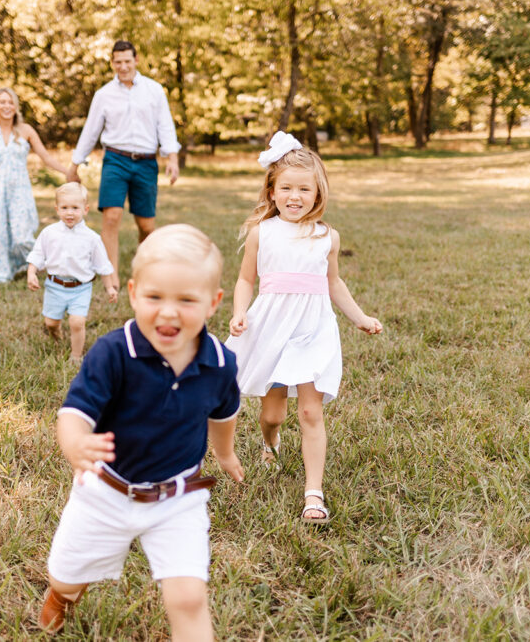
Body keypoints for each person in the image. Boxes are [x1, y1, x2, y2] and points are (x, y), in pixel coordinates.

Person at [38, 224, 244, 639]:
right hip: (105, 491)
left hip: (177, 497)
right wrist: (76, 443)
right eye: (154, 298)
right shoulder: (114, 352)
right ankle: (61, 595)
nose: (168, 312)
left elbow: (224, 413)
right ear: (133, 293)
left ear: (213, 303)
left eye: (186, 300)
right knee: (67, 577)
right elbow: (74, 412)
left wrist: (225, 453)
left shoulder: (220, 362)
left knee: (188, 598)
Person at [226, 132, 383, 525]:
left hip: (313, 330)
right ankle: (269, 442)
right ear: (272, 191)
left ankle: (314, 494)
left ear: (317, 193)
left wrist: (360, 318)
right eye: (286, 188)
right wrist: (239, 311)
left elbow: (333, 283)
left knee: (311, 412)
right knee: (274, 413)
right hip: (272, 328)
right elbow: (246, 280)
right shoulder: (263, 233)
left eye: (304, 189)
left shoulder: (327, 237)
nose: (294, 196)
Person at [69, 40, 181, 289]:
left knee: (146, 225)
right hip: (115, 160)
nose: (123, 66)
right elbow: (90, 131)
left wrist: (172, 158)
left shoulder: (154, 90)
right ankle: (112, 277)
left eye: (127, 61)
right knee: (111, 216)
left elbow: (165, 125)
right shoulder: (104, 94)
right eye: (118, 62)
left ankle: (145, 269)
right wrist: (75, 164)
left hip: (146, 162)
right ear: (112, 63)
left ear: (136, 60)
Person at [0, 87, 77, 283]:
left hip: (19, 191)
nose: (6, 106)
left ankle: (52, 265)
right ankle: (1, 274)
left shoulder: (26, 131)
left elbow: (45, 156)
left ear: (16, 106)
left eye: (10, 102)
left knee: (22, 236)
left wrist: (68, 172)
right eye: (2, 102)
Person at [26, 182, 118, 360]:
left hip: (80, 288)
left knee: (77, 322)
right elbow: (37, 254)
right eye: (65, 208)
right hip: (55, 286)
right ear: (57, 209)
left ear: (86, 209)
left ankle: (76, 356)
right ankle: (57, 335)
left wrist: (110, 288)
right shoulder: (49, 233)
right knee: (51, 323)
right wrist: (31, 273)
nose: (69, 212)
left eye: (75, 208)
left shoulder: (92, 238)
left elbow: (102, 265)